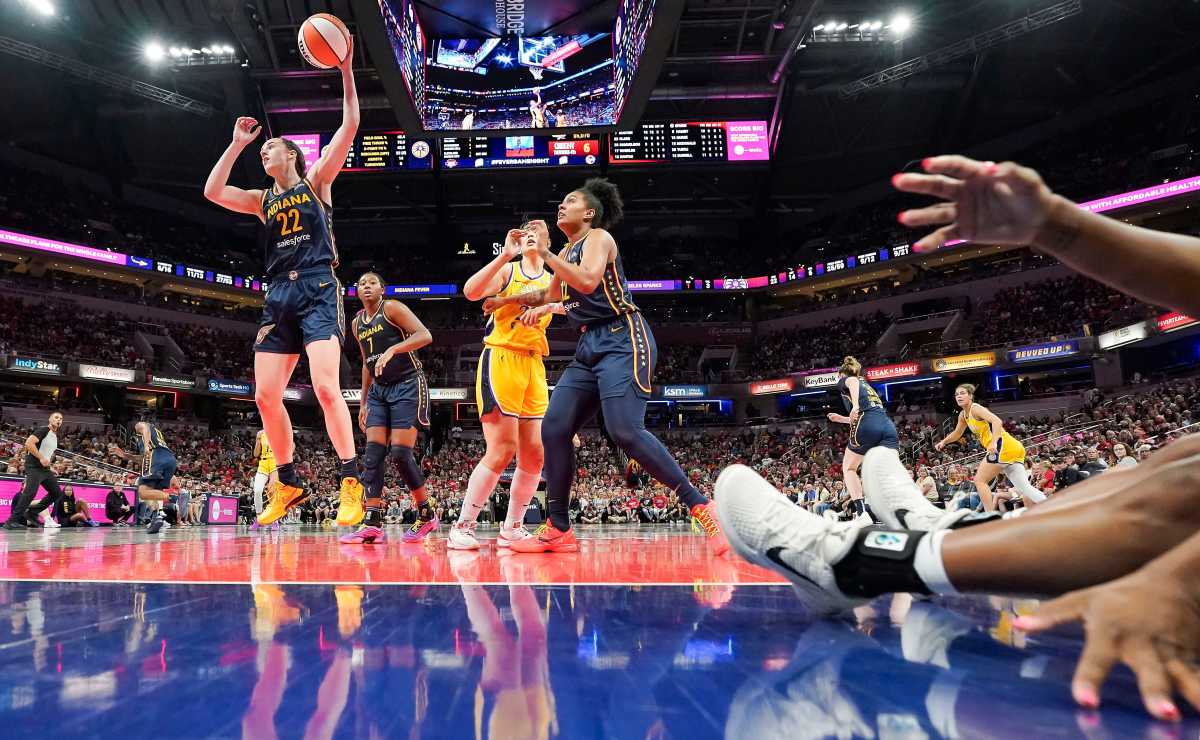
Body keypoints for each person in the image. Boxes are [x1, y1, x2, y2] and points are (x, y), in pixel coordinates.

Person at [719, 152, 1200, 721]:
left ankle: (864, 562)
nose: (962, 401)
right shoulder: (951, 410)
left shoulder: (891, 392)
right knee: (1180, 457)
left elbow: (991, 426)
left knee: (1186, 481)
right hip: (985, 447)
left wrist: (1180, 580)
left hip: (1002, 448)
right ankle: (951, 530)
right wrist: (1058, 225)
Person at [483, 178, 728, 554]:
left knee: (624, 430)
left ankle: (700, 505)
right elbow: (552, 294)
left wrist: (546, 255)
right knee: (554, 426)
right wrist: (508, 301)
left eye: (570, 201)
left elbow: (587, 281)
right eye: (561, 202)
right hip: (589, 344)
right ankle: (558, 528)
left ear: (590, 212)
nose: (561, 206)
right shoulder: (566, 250)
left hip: (623, 338)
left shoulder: (597, 239)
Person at [203, 37, 364, 528]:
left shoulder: (316, 181)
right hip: (277, 295)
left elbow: (351, 123)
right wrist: (236, 144)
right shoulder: (259, 199)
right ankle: (289, 482)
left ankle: (351, 481)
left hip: (317, 286)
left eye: (270, 147)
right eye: (263, 149)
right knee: (264, 396)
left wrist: (346, 68)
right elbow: (212, 191)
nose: (265, 151)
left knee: (325, 388)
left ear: (290, 156)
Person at [450, 220, 565, 550]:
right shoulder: (510, 271)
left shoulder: (554, 277)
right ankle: (463, 526)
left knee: (535, 456)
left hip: (534, 365)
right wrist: (503, 256)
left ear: (547, 239)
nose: (530, 231)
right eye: (526, 229)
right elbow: (471, 292)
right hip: (501, 357)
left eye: (537, 228)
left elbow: (573, 303)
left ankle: (512, 528)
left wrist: (548, 305)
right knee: (502, 450)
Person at [340, 272, 437, 545]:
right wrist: (362, 402)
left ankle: (426, 513)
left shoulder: (392, 308)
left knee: (400, 453)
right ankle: (372, 521)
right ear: (356, 292)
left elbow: (424, 335)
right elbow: (365, 364)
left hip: (407, 384)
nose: (366, 286)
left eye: (372, 282)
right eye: (361, 283)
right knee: (372, 454)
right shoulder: (357, 323)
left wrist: (393, 350)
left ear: (382, 289)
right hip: (378, 393)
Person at [933, 384, 1047, 512]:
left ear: (970, 396)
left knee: (979, 480)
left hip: (1003, 445)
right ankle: (1054, 506)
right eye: (957, 394)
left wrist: (993, 443)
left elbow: (997, 421)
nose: (959, 396)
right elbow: (957, 433)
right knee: (1024, 488)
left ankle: (990, 515)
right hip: (1012, 448)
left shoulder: (975, 408)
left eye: (962, 393)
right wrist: (944, 441)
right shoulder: (963, 415)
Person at [825, 356, 899, 518]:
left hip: (867, 423)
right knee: (891, 470)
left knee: (849, 468)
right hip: (887, 426)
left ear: (841, 374)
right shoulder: (867, 384)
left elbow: (852, 384)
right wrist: (842, 419)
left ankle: (861, 512)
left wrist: (856, 406)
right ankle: (905, 507)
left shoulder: (847, 379)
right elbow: (861, 415)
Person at [108, 421, 180, 534]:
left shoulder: (140, 426)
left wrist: (146, 446)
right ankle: (157, 518)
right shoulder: (154, 437)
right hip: (170, 460)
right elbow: (143, 458)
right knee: (153, 493)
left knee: (142, 491)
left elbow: (145, 428)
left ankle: (172, 497)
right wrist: (125, 455)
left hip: (156, 457)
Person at [5, 411, 66, 530]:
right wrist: (41, 458)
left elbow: (46, 453)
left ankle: (32, 512)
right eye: (56, 417)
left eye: (61, 418)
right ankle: (11, 521)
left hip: (44, 469)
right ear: (50, 419)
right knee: (30, 493)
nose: (59, 420)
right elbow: (29, 443)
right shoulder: (44, 430)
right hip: (34, 466)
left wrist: (50, 467)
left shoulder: (54, 436)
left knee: (56, 492)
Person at [250, 429, 279, 531]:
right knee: (257, 490)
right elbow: (256, 454)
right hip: (263, 464)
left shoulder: (279, 431)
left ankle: (274, 519)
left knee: (271, 491)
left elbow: (291, 445)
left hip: (275, 463)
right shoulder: (261, 433)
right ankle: (259, 519)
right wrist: (258, 439)